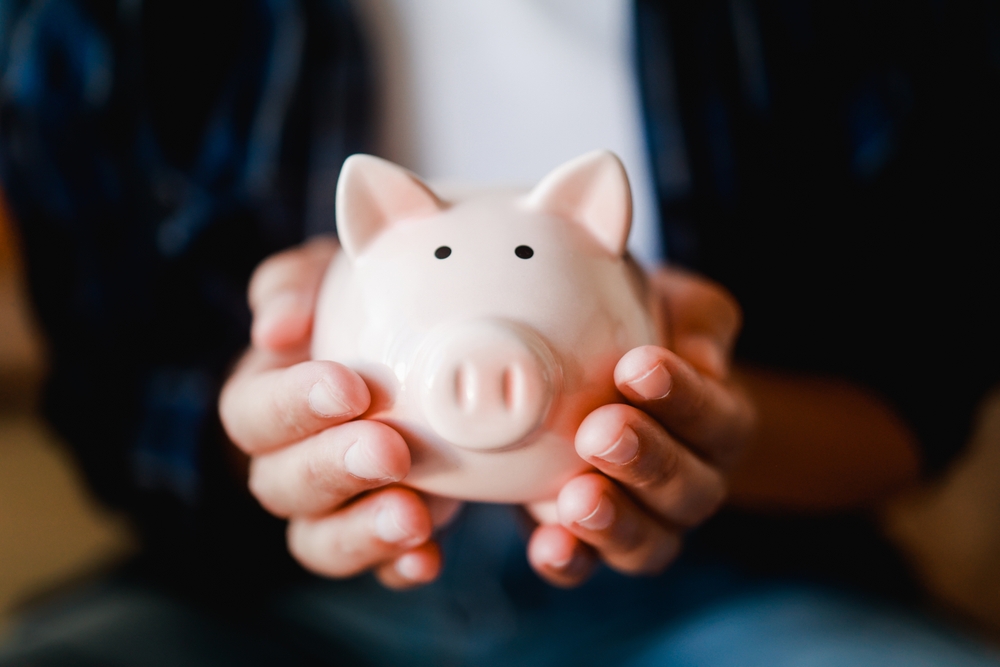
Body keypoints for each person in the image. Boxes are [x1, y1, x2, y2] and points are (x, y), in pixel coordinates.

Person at [1, 0, 999, 664]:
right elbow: (105, 389)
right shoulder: (98, 20)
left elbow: (914, 397)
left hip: (730, 582)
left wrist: (718, 426)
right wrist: (263, 429)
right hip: (256, 591)